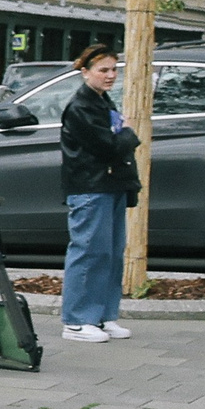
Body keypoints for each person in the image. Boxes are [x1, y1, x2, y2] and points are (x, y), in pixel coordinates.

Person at [59, 44, 139, 342]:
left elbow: (113, 142)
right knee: (89, 251)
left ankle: (104, 315)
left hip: (111, 184)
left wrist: (122, 137)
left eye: (113, 69)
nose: (110, 75)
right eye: (102, 70)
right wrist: (128, 133)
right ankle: (77, 320)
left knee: (111, 253)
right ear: (85, 73)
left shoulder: (102, 102)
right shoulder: (80, 106)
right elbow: (108, 145)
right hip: (90, 187)